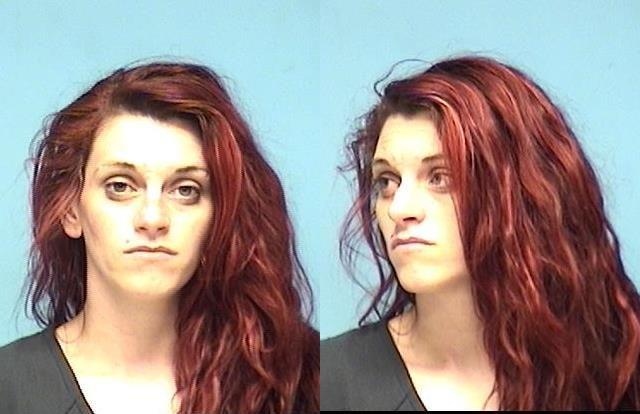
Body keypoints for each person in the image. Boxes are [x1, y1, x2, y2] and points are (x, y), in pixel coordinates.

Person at [321, 56, 640, 411]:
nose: (399, 208)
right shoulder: (331, 380)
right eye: (386, 181)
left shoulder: (614, 370)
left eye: (440, 177)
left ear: (520, 192)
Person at [0, 62, 318, 414]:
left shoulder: (296, 379)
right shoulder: (9, 386)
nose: (152, 219)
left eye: (185, 190)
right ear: (71, 211)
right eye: (120, 186)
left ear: (219, 218)